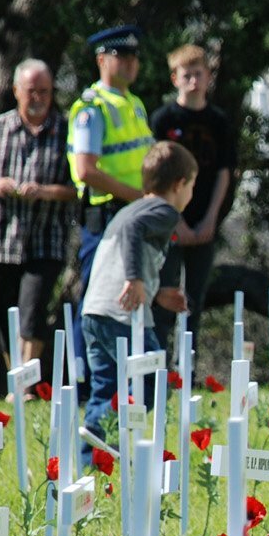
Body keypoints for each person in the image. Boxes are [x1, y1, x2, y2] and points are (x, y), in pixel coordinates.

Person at [0, 59, 77, 395]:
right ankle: (18, 380)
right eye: (32, 91)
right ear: (16, 91)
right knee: (5, 314)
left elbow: (80, 187)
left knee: (33, 311)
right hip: (1, 240)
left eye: (45, 91)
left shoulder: (67, 131)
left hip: (47, 239)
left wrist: (45, 192)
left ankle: (24, 387)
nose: (38, 98)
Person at [79, 141, 196, 458]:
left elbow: (125, 246)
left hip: (95, 310)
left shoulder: (130, 208)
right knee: (154, 380)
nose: (191, 194)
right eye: (192, 185)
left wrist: (156, 293)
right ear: (179, 184)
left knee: (105, 387)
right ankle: (106, 431)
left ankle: (94, 459)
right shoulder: (165, 211)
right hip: (123, 315)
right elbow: (134, 231)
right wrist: (135, 279)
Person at [67, 25, 155, 374]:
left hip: (132, 213)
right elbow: (86, 170)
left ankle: (115, 372)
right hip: (106, 214)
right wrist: (139, 196)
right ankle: (83, 377)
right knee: (96, 295)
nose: (131, 63)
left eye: (134, 56)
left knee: (126, 293)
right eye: (122, 56)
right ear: (101, 60)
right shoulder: (92, 108)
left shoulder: (134, 103)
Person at [149, 43, 238, 349]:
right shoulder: (163, 120)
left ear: (208, 76)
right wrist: (177, 223)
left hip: (204, 222)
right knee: (165, 295)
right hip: (169, 223)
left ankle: (188, 364)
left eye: (199, 74)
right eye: (186, 75)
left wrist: (210, 219)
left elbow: (225, 172)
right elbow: (156, 177)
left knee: (194, 300)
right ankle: (159, 362)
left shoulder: (219, 121)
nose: (193, 81)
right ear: (175, 78)